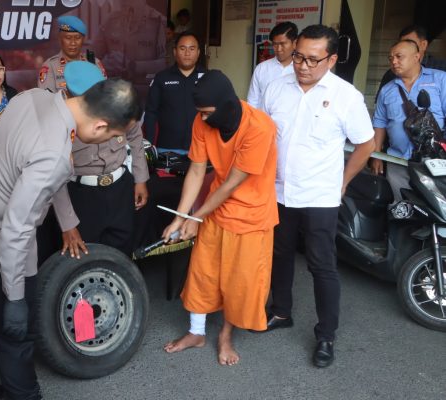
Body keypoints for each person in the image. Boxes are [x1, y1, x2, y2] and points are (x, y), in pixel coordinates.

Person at [0, 79, 141, 400]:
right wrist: (15, 298)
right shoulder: (54, 154)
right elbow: (16, 229)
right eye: (112, 135)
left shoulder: (34, 98)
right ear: (99, 125)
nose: (112, 139)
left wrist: (69, 222)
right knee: (15, 337)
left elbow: (36, 167)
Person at [258, 24, 375, 368]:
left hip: (320, 196)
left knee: (321, 265)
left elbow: (366, 144)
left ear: (332, 59)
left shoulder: (345, 96)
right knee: (279, 254)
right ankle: (281, 312)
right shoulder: (276, 87)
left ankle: (326, 335)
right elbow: (265, 134)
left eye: (312, 59)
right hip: (279, 191)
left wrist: (343, 181)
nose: (302, 66)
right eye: (298, 57)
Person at [161, 70, 278, 366]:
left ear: (226, 106)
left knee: (239, 282)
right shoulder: (202, 122)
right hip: (216, 208)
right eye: (198, 113)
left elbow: (231, 184)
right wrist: (180, 217)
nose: (201, 119)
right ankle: (196, 333)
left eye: (206, 113)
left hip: (251, 215)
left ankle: (225, 336)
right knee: (203, 271)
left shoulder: (259, 127)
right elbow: (197, 170)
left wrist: (195, 217)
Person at [53, 61, 149, 258]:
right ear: (71, 95)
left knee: (121, 253)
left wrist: (140, 179)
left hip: (119, 189)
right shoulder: (58, 121)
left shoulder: (115, 105)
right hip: (81, 195)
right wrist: (67, 223)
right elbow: (55, 178)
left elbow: (135, 137)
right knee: (82, 257)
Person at [370, 39, 446, 201]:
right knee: (401, 208)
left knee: (434, 208)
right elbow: (380, 123)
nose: (394, 61)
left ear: (417, 57)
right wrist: (376, 156)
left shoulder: (440, 80)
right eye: (390, 58)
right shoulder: (387, 89)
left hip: (433, 162)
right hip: (398, 161)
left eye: (399, 56)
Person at [144, 32, 206, 154]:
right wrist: (149, 145)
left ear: (198, 52)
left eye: (192, 49)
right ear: (175, 52)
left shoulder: (208, 78)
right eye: (182, 48)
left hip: (201, 147)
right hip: (167, 147)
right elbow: (151, 112)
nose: (187, 53)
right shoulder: (162, 78)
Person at [375, 25, 446, 101]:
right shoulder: (390, 75)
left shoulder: (441, 72)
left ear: (424, 45)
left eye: (410, 42)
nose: (404, 46)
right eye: (402, 43)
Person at [37, 15, 106, 92]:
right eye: (68, 38)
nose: (73, 43)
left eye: (77, 38)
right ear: (60, 39)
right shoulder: (50, 66)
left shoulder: (94, 63)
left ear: (83, 39)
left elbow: (103, 93)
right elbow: (47, 97)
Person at [247, 22, 298, 109]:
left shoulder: (301, 69)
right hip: (264, 121)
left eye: (283, 44)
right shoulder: (261, 68)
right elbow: (252, 102)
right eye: (275, 44)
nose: (278, 49)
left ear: (294, 43)